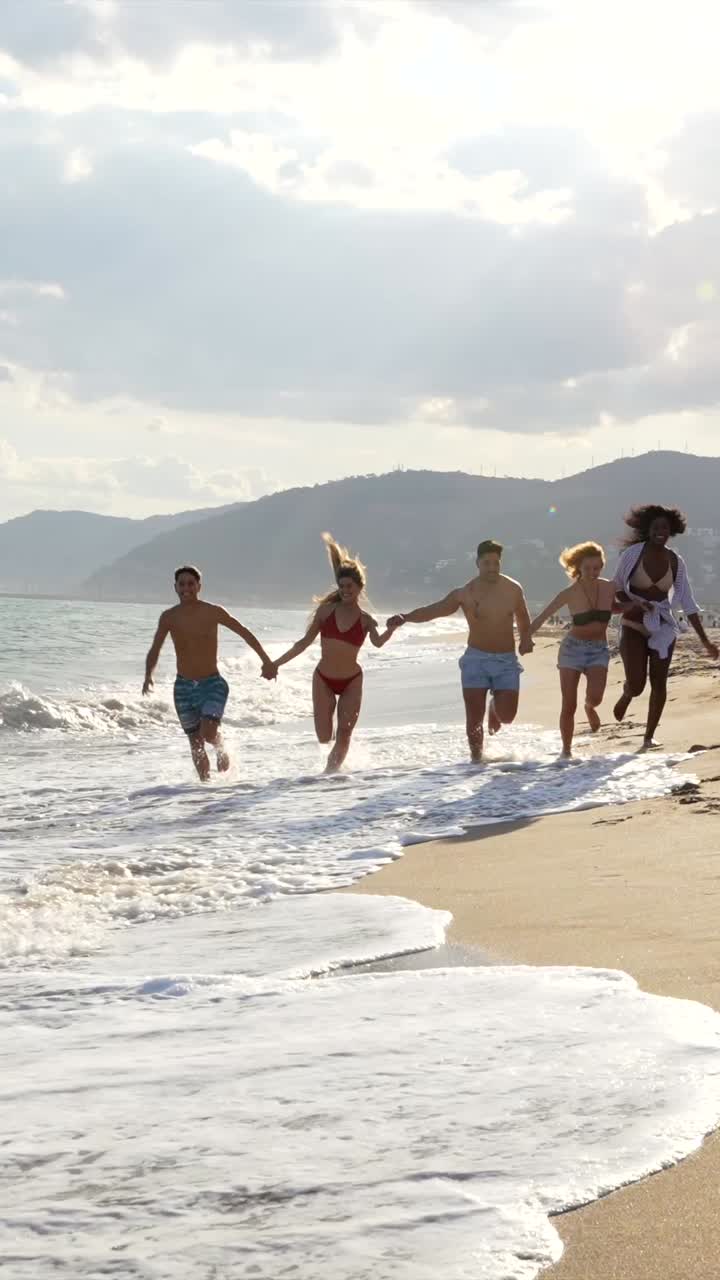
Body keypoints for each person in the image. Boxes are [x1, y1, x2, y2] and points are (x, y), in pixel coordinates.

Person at [386, 539, 533, 763]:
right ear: (477, 563)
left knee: (508, 716)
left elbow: (522, 616)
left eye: (496, 563)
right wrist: (405, 617)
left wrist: (525, 639)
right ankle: (476, 763)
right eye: (487, 563)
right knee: (474, 721)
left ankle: (494, 708)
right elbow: (435, 610)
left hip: (505, 660)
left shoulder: (513, 588)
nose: (492, 568)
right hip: (476, 659)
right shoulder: (465, 592)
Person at [267, 533, 394, 773]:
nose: (345, 590)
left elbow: (378, 643)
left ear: (359, 587)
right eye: (342, 586)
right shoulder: (326, 612)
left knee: (345, 732)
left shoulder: (366, 620)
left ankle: (329, 776)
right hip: (324, 679)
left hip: (352, 681)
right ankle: (334, 761)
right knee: (325, 737)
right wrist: (276, 663)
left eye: (350, 586)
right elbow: (303, 643)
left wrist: (392, 628)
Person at [142, 565, 275, 781]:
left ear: (199, 586)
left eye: (191, 584)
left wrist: (266, 661)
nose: (186, 588)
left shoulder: (212, 611)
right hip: (183, 687)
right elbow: (155, 648)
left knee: (208, 734)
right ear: (175, 587)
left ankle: (220, 745)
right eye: (182, 584)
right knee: (195, 742)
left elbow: (245, 633)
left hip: (212, 683)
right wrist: (149, 675)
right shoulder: (169, 617)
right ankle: (206, 790)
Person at [612, 505, 718, 749]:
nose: (661, 531)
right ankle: (628, 694)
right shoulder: (633, 554)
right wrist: (635, 602)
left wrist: (705, 641)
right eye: (656, 527)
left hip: (663, 626)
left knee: (659, 683)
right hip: (633, 623)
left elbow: (688, 603)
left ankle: (648, 737)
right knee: (638, 684)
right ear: (648, 530)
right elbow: (617, 586)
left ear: (672, 531)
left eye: (665, 528)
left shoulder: (676, 561)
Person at [530, 541, 618, 759]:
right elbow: (542, 616)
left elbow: (615, 606)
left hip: (598, 649)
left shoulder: (609, 587)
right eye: (587, 568)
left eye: (597, 568)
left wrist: (639, 605)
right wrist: (525, 638)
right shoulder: (569, 593)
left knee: (596, 697)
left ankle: (590, 708)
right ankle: (566, 751)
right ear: (578, 568)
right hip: (572, 650)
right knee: (568, 703)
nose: (592, 572)